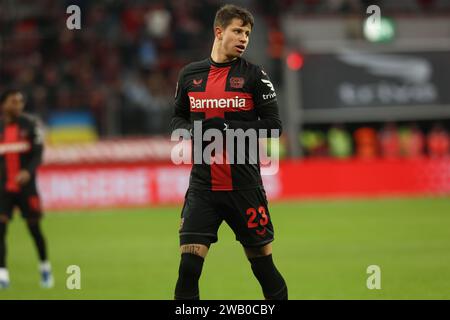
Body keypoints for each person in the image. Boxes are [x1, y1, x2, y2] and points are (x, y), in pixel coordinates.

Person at [170, 4, 287, 300]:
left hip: (244, 187)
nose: (244, 38)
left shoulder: (255, 77)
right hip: (203, 186)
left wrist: (228, 128)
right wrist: (191, 131)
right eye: (237, 31)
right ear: (219, 32)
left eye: (247, 33)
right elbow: (177, 119)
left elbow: (274, 126)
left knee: (263, 267)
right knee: (188, 267)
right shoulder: (189, 76)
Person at [0, 89, 53, 289]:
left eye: (20, 102)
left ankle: (44, 268)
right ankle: (2, 275)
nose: (18, 105)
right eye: (13, 101)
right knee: (0, 230)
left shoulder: (31, 125)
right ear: (4, 104)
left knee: (34, 228)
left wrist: (28, 173)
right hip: (3, 188)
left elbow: (38, 154)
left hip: (26, 188)